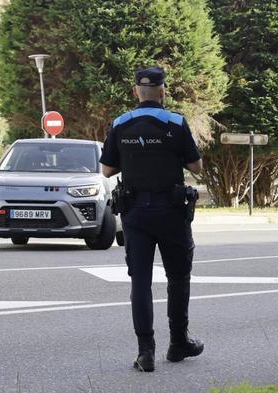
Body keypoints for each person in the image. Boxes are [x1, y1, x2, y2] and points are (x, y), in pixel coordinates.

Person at [100, 66, 204, 372]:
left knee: (141, 282)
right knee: (178, 278)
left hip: (135, 213)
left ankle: (145, 352)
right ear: (162, 91)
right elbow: (196, 167)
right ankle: (177, 343)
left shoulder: (121, 124)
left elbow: (106, 170)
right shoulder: (175, 122)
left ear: (136, 92)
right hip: (171, 212)